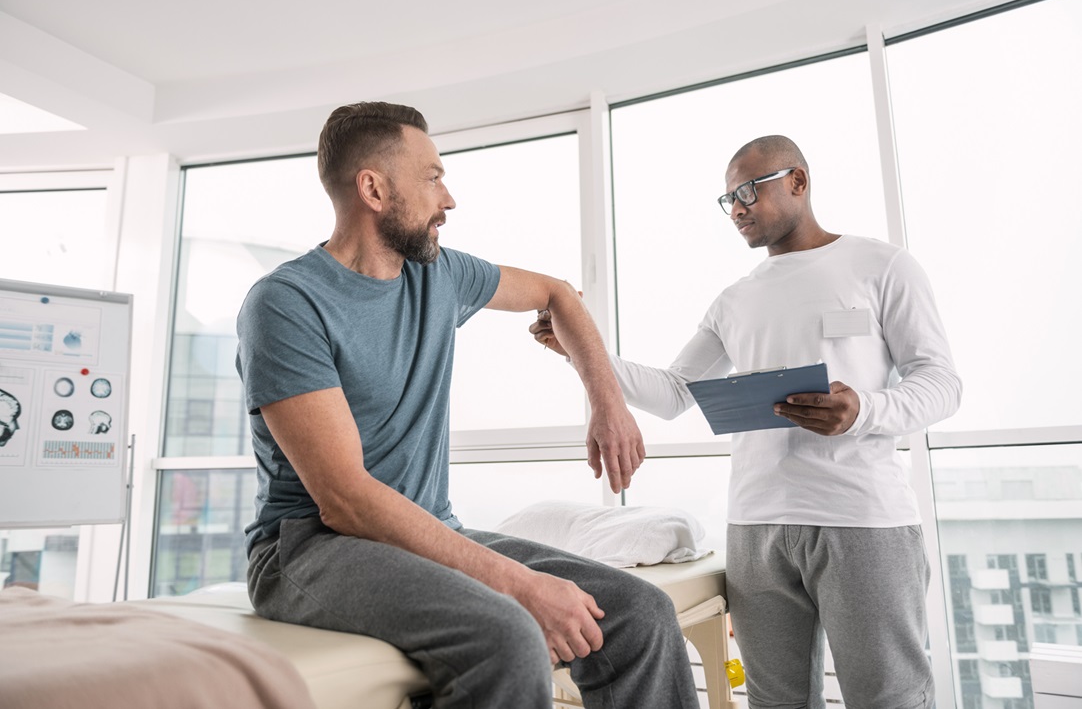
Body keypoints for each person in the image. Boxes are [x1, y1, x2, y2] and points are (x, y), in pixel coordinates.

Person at [235, 101, 699, 709]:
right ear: (373, 188)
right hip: (309, 547)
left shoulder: (439, 275)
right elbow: (344, 498)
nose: (448, 199)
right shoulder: (286, 303)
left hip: (429, 527)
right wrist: (522, 585)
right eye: (432, 177)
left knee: (640, 612)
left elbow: (558, 293)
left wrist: (607, 402)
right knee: (506, 635)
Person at [531, 135, 962, 709]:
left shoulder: (882, 265)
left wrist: (863, 410)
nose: (736, 207)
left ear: (798, 183)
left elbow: (941, 382)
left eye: (747, 191)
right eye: (727, 198)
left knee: (890, 698)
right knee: (773, 701)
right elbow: (672, 393)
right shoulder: (734, 300)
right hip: (756, 528)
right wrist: (578, 350)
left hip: (863, 522)